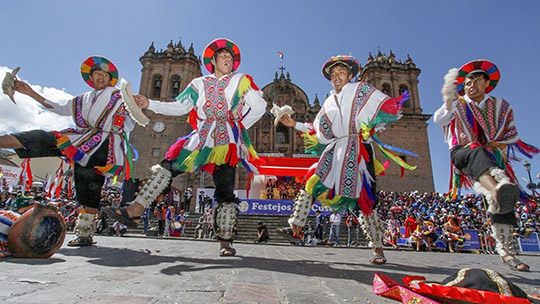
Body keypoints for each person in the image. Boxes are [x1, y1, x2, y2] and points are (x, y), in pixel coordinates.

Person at [104, 38, 266, 257]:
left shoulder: (241, 81)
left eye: (231, 57)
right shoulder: (199, 83)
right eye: (223, 56)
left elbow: (260, 107)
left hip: (226, 145)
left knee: (225, 191)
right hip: (199, 139)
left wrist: (237, 126)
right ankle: (135, 208)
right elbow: (181, 107)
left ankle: (225, 242)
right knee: (166, 168)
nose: (228, 59)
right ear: (213, 61)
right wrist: (149, 103)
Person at [276, 55, 415, 264]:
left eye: (341, 72)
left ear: (350, 75)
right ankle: (295, 228)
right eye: (333, 74)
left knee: (365, 198)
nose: (336, 77)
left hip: (358, 148)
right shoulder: (329, 102)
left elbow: (383, 106)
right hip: (335, 149)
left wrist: (372, 125)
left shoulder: (361, 90)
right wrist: (294, 124)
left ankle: (378, 248)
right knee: (311, 181)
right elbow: (317, 128)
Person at [0, 57, 135, 246]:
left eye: (105, 74)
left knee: (89, 183)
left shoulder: (119, 96)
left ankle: (85, 234)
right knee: (42, 138)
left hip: (105, 146)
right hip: (79, 141)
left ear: (110, 78)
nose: (101, 77)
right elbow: (58, 108)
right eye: (97, 74)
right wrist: (29, 92)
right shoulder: (81, 100)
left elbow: (133, 114)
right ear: (91, 78)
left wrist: (135, 106)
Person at [434, 59, 538, 271]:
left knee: (504, 204)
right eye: (468, 83)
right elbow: (439, 119)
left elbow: (508, 130)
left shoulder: (500, 106)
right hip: (462, 152)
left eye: (476, 81)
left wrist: (494, 142)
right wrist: (448, 101)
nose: (471, 85)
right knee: (478, 154)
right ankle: (495, 189)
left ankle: (508, 253)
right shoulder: (458, 103)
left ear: (486, 83)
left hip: (492, 158)